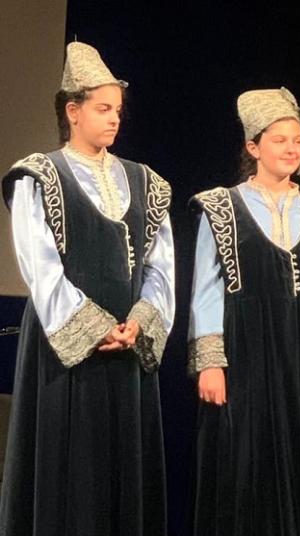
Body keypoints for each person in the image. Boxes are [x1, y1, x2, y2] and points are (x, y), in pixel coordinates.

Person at [0, 42, 174, 536]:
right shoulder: (39, 176)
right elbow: (40, 265)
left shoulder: (146, 182)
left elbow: (161, 267)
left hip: (127, 345)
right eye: (102, 109)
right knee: (70, 471)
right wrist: (93, 328)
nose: (114, 118)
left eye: (117, 109)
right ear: (73, 112)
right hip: (66, 347)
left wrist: (139, 322)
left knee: (121, 472)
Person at [189, 87, 300, 535]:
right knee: (247, 463)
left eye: (297, 140)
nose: (291, 148)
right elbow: (206, 288)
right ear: (253, 147)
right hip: (246, 353)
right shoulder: (221, 208)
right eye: (279, 139)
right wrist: (210, 361)